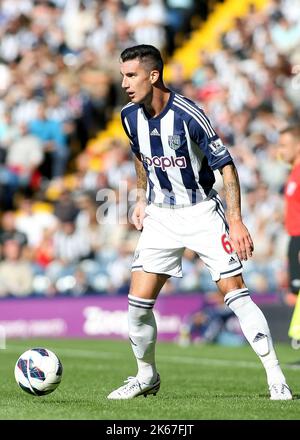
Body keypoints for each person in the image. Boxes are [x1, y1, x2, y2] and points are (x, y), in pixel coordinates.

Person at [107, 45, 292, 400]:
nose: (125, 83)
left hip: (201, 212)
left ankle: (275, 377)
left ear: (153, 75)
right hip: (161, 215)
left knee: (236, 295)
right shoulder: (129, 116)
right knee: (137, 304)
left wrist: (235, 221)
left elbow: (226, 165)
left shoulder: (189, 114)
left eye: (130, 75)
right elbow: (139, 157)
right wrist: (143, 198)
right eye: (122, 76)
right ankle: (146, 376)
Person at [277, 126, 300, 347]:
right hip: (294, 237)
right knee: (296, 290)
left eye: (284, 145)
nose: (280, 150)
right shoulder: (293, 171)